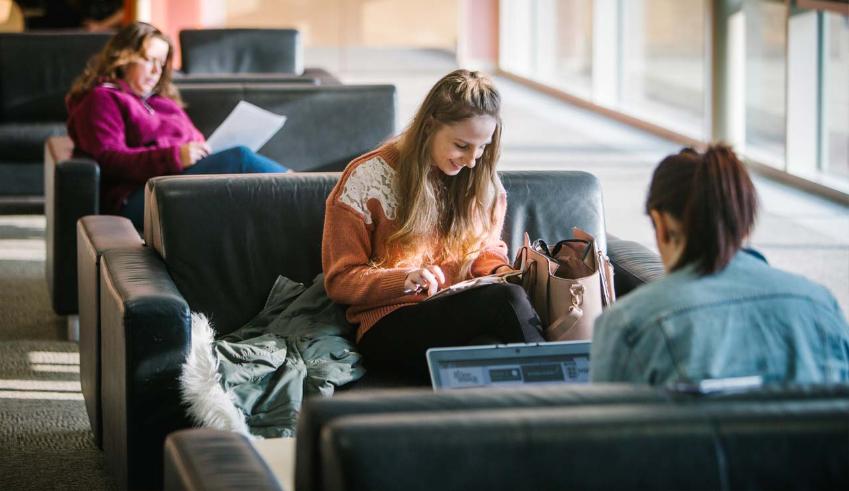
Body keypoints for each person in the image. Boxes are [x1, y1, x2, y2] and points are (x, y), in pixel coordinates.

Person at [322, 69, 544, 383]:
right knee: (508, 304)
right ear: (429, 127)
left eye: (482, 148)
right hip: (389, 322)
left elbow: (486, 251)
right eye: (462, 145)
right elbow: (340, 280)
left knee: (505, 317)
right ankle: (559, 394)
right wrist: (404, 279)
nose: (472, 160)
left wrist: (500, 272)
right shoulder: (365, 180)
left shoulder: (481, 183)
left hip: (457, 310)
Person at [591, 145, 849, 386]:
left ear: (662, 225)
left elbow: (608, 428)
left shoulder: (628, 324)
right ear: (745, 221)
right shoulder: (821, 305)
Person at [66, 22, 286, 230]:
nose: (156, 71)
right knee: (239, 158)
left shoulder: (160, 101)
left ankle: (300, 197)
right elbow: (109, 159)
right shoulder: (102, 99)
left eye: (161, 64)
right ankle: (303, 190)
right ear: (123, 59)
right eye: (149, 60)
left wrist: (197, 150)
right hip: (137, 197)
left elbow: (193, 139)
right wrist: (175, 156)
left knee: (248, 190)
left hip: (176, 186)